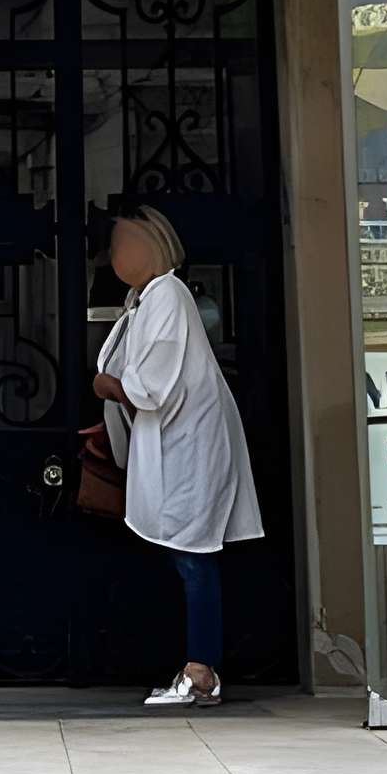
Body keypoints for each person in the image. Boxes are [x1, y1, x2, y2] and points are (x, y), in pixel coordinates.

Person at [91, 205, 261, 709]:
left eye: (123, 244)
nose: (115, 255)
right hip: (177, 447)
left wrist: (108, 386)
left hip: (188, 449)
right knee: (189, 554)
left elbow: (151, 386)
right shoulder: (142, 301)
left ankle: (200, 673)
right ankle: (198, 669)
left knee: (193, 555)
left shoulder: (167, 295)